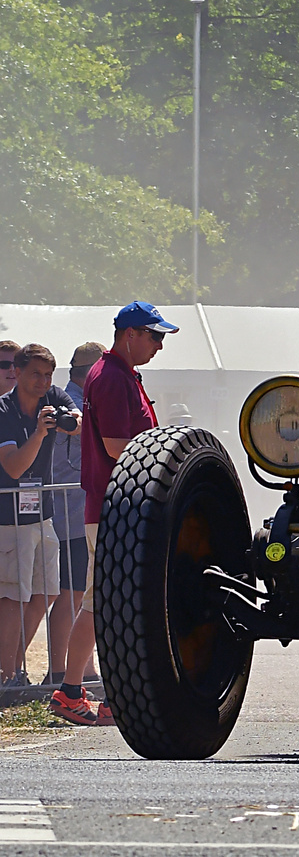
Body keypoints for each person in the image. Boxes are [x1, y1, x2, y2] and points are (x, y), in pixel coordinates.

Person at [50, 303, 175, 726]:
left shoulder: (120, 375)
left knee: (100, 601)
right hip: (114, 508)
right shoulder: (110, 378)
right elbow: (118, 446)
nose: (159, 345)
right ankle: (93, 693)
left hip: (118, 507)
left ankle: (75, 691)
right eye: (155, 336)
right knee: (110, 601)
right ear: (130, 334)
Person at [0, 344, 73, 686]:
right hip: (8, 520)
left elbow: (78, 423)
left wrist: (67, 420)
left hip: (42, 515)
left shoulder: (53, 397)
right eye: (35, 374)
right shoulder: (3, 410)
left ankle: (13, 666)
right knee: (13, 595)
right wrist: (42, 432)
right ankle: (6, 675)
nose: (43, 382)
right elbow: (14, 468)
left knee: (48, 592)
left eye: (48, 375)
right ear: (17, 372)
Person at [47, 342, 104, 685]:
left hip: (78, 510)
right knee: (72, 593)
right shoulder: (66, 403)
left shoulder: (79, 401)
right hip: (71, 511)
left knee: (81, 593)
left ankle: (81, 669)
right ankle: (60, 671)